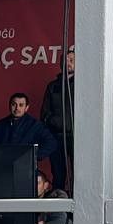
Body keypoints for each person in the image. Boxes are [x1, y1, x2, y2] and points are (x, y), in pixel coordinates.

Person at [40, 46, 74, 191]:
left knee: (79, 174)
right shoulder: (53, 86)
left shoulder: (85, 85)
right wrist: (54, 122)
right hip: (57, 137)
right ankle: (58, 210)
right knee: (58, 175)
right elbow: (44, 113)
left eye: (72, 60)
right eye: (65, 60)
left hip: (76, 137)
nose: (68, 63)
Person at [0, 92, 58, 161]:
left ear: (26, 108)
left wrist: (33, 156)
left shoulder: (35, 125)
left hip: (25, 168)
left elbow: (52, 143)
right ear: (9, 105)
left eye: (21, 105)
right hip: (3, 166)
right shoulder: (0, 125)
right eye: (14, 104)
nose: (17, 108)